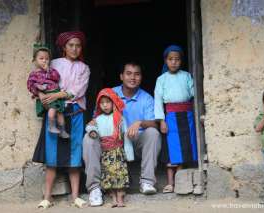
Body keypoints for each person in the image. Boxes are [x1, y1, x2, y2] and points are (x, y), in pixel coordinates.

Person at [83, 62, 161, 207]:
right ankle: (94, 188)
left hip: (134, 140)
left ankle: (147, 182)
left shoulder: (146, 98)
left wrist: (140, 123)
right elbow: (96, 119)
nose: (133, 77)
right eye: (129, 73)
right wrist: (93, 128)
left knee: (153, 133)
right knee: (88, 139)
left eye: (137, 74)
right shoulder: (109, 94)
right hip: (109, 143)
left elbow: (155, 123)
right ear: (121, 76)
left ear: (141, 77)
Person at [32, 31, 90, 209]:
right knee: (52, 154)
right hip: (53, 112)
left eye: (78, 45)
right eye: (71, 45)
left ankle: (75, 197)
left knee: (75, 154)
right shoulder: (54, 63)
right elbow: (38, 78)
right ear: (64, 47)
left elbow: (78, 91)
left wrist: (56, 94)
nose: (74, 48)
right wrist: (41, 94)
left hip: (75, 113)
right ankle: (47, 197)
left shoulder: (84, 68)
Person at [154, 45, 198, 193]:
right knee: (172, 148)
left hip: (187, 115)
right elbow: (158, 101)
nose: (174, 62)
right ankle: (170, 182)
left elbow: (194, 94)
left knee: (186, 147)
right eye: (170, 59)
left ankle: (181, 181)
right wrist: (161, 121)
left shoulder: (186, 76)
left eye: (177, 59)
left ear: (181, 61)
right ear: (165, 61)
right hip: (171, 117)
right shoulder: (161, 79)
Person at [86, 88, 133, 207]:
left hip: (118, 153)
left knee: (120, 175)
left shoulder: (120, 119)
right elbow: (89, 126)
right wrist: (92, 131)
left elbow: (126, 136)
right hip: (105, 153)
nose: (105, 105)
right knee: (108, 176)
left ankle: (120, 198)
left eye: (108, 102)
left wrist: (129, 153)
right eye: (102, 103)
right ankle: (113, 198)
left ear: (113, 102)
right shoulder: (97, 119)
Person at [27, 45, 69, 138]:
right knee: (52, 111)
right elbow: (30, 85)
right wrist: (38, 88)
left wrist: (48, 70)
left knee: (60, 114)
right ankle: (51, 126)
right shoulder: (34, 74)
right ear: (35, 60)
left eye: (47, 58)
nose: (44, 61)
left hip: (56, 94)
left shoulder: (52, 71)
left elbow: (57, 77)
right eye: (41, 58)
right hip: (47, 96)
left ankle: (62, 130)